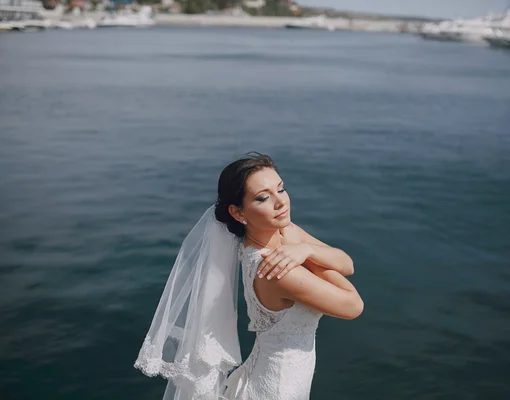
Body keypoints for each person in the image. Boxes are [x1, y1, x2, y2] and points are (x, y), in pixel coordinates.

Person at [134, 152, 363, 400]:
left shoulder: (281, 234)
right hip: (278, 391)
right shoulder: (277, 270)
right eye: (263, 198)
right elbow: (354, 306)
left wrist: (305, 250)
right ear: (238, 213)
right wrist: (307, 254)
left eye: (281, 189)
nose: (281, 202)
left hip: (269, 378)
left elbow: (347, 264)